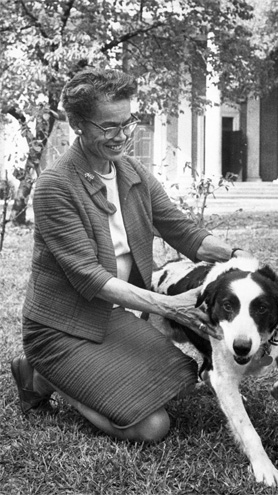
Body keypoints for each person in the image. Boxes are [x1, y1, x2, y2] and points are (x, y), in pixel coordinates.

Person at [11, 68, 252, 442]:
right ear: (77, 124)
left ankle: (42, 375)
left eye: (128, 122)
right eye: (108, 127)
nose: (122, 136)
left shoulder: (131, 170)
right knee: (153, 427)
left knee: (185, 379)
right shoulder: (55, 186)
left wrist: (237, 256)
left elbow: (181, 230)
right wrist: (172, 307)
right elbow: (91, 278)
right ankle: (54, 379)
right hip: (60, 327)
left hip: (111, 317)